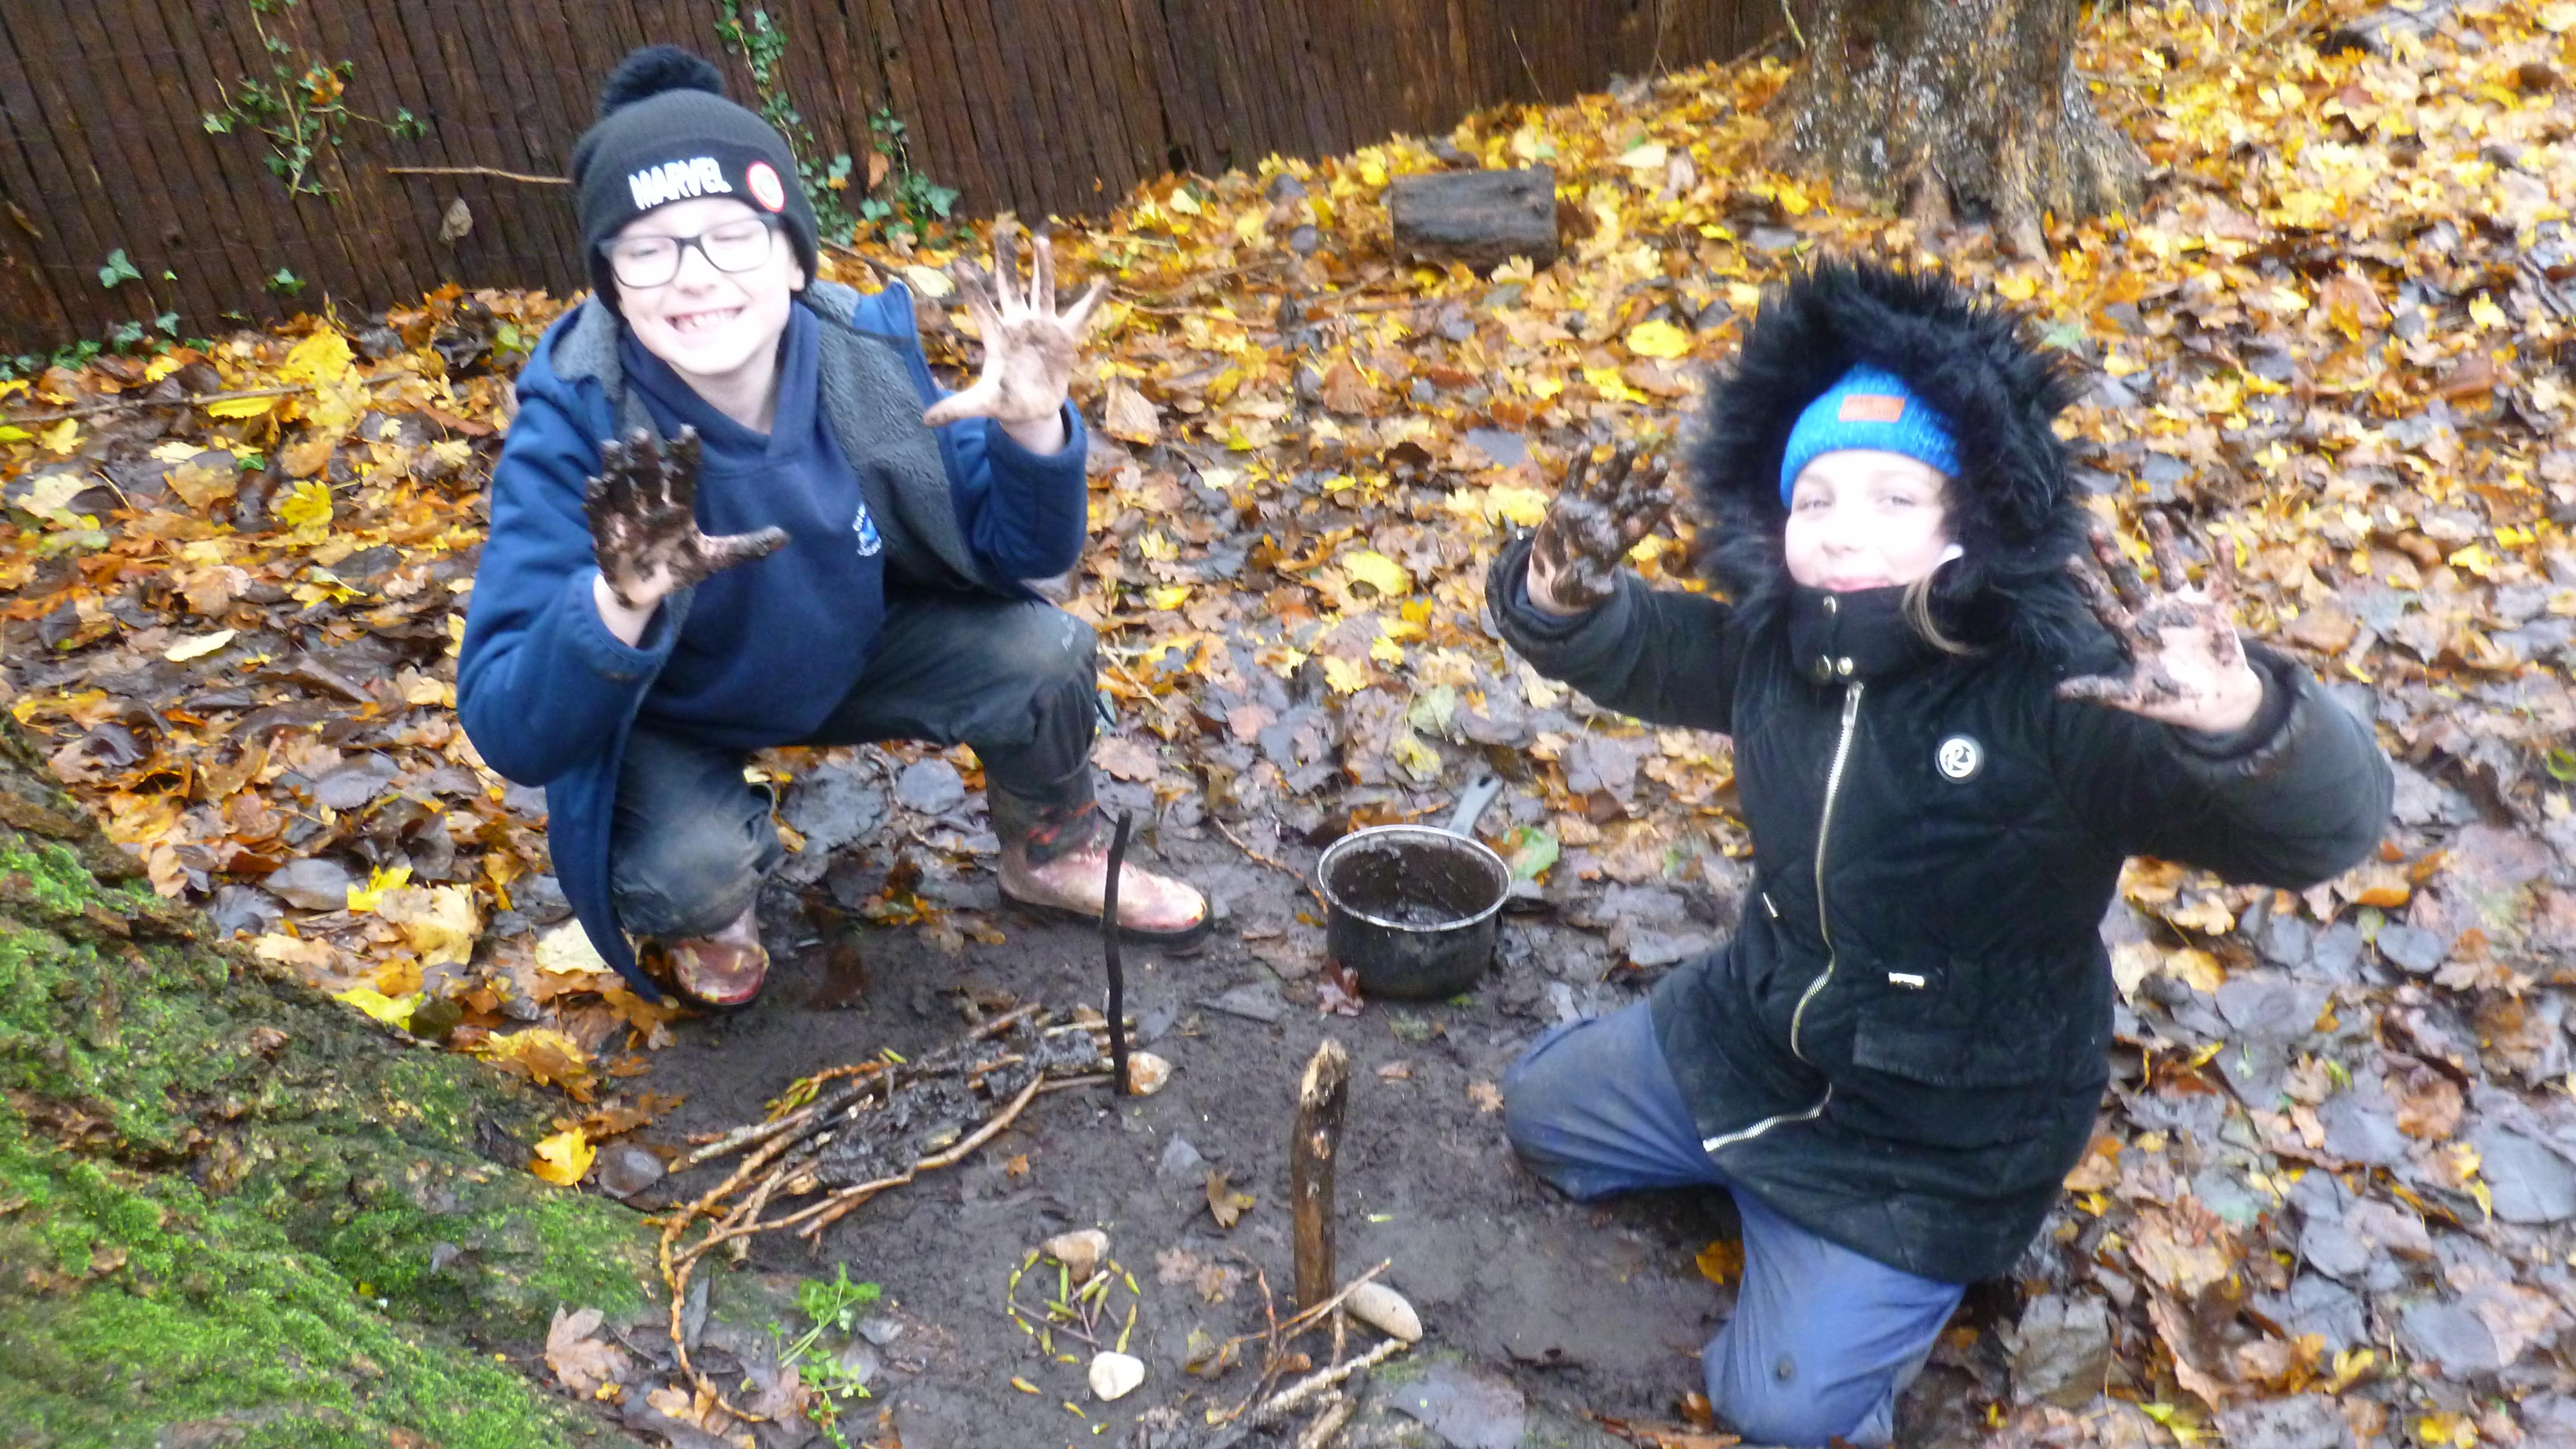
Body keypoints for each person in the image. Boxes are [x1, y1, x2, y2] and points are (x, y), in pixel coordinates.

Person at [1485, 261, 2393, 1446]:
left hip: (1937, 1132)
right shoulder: (1780, 645)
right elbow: (1645, 647)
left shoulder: (2059, 688)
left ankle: (1854, 1276)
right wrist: (1556, 595)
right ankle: (1760, 1193)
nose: (1842, 529)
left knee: (1781, 1409)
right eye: (1816, 498)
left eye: (1893, 497)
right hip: (1753, 1037)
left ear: (1968, 515)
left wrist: (2242, 718)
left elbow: (2324, 830)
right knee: (1537, 1111)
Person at [458, 45, 1208, 1009]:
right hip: (672, 711)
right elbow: (508, 727)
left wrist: (1032, 428)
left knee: (1046, 654)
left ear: (792, 257)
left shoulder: (856, 355)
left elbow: (1028, 554)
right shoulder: (578, 414)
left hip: (847, 653)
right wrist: (617, 600)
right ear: (611, 282)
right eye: (648, 250)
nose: (694, 278)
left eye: (733, 237)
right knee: (690, 875)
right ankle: (710, 900)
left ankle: (1049, 849)